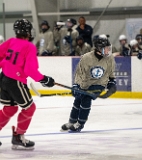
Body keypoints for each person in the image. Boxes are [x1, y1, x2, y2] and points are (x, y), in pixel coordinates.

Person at [0, 19, 54, 150]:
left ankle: (18, 136)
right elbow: (29, 70)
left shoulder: (11, 41)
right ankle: (18, 136)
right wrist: (44, 79)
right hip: (15, 82)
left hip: (3, 79)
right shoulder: (29, 46)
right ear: (28, 32)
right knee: (29, 108)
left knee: (10, 108)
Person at [61, 34, 116, 132]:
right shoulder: (86, 58)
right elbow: (80, 74)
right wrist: (76, 86)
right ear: (98, 49)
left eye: (108, 48)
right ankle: (72, 122)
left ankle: (80, 124)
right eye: (105, 49)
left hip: (99, 84)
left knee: (86, 98)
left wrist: (112, 83)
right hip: (85, 83)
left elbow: (110, 73)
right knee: (78, 99)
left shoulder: (109, 58)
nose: (108, 51)